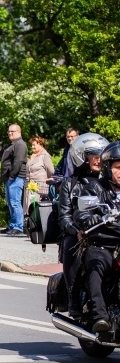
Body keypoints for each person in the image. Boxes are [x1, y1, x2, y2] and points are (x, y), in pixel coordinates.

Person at [57, 133, 108, 318]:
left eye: (101, 156)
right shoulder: (70, 184)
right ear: (82, 157)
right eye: (94, 156)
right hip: (80, 233)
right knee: (71, 245)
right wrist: (76, 230)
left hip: (106, 231)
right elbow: (64, 217)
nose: (98, 160)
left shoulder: (108, 183)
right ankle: (74, 298)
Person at [75, 141, 120, 333]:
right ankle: (100, 316)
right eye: (118, 167)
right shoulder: (95, 188)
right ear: (108, 168)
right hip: (104, 243)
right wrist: (89, 217)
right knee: (96, 265)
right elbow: (81, 212)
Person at [0, 124, 27, 235]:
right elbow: (6, 158)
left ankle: (18, 227)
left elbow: (18, 161)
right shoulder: (12, 145)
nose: (10, 133)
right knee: (10, 203)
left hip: (16, 177)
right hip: (10, 178)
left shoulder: (20, 144)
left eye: (12, 131)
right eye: (9, 131)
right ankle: (12, 225)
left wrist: (12, 174)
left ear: (19, 132)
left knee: (15, 202)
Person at [23, 135, 54, 214]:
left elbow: (51, 172)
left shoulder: (45, 156)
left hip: (40, 189)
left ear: (41, 144)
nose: (32, 147)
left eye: (34, 145)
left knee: (36, 211)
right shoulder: (32, 156)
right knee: (28, 211)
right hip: (29, 187)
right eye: (32, 145)